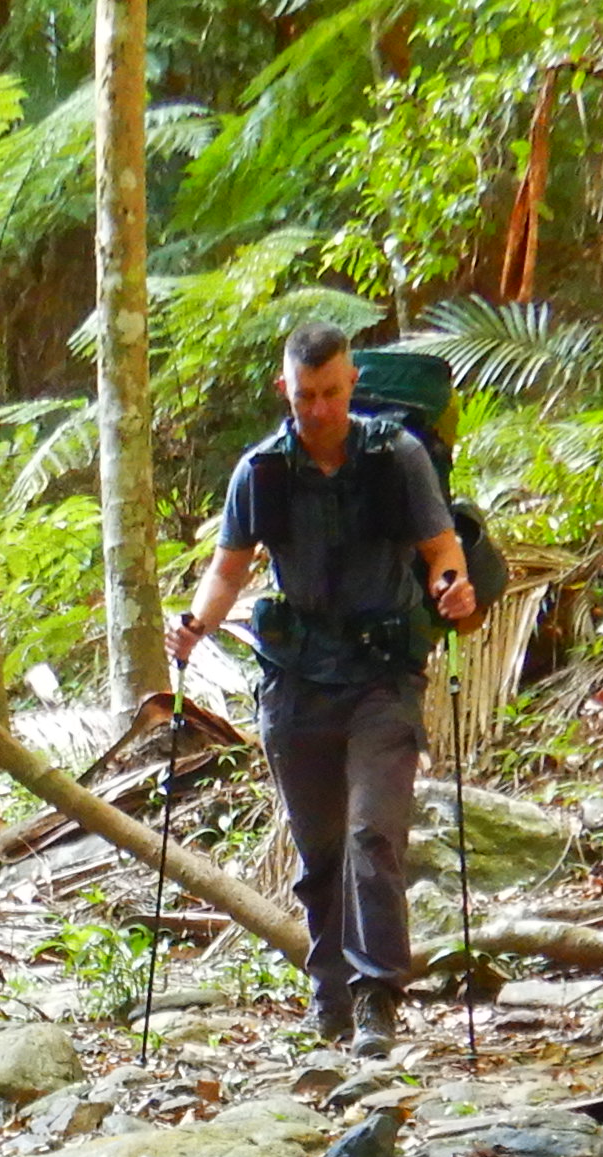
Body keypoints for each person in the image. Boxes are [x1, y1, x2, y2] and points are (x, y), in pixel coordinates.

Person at [167, 321, 479, 1056]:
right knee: (321, 850)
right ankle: (330, 997)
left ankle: (377, 999)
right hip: (296, 679)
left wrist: (452, 586)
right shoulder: (261, 471)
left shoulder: (397, 458)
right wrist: (196, 625)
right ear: (286, 390)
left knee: (374, 835)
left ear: (352, 384)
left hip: (382, 676)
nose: (320, 409)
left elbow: (441, 547)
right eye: (306, 396)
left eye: (332, 393)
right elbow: (228, 569)